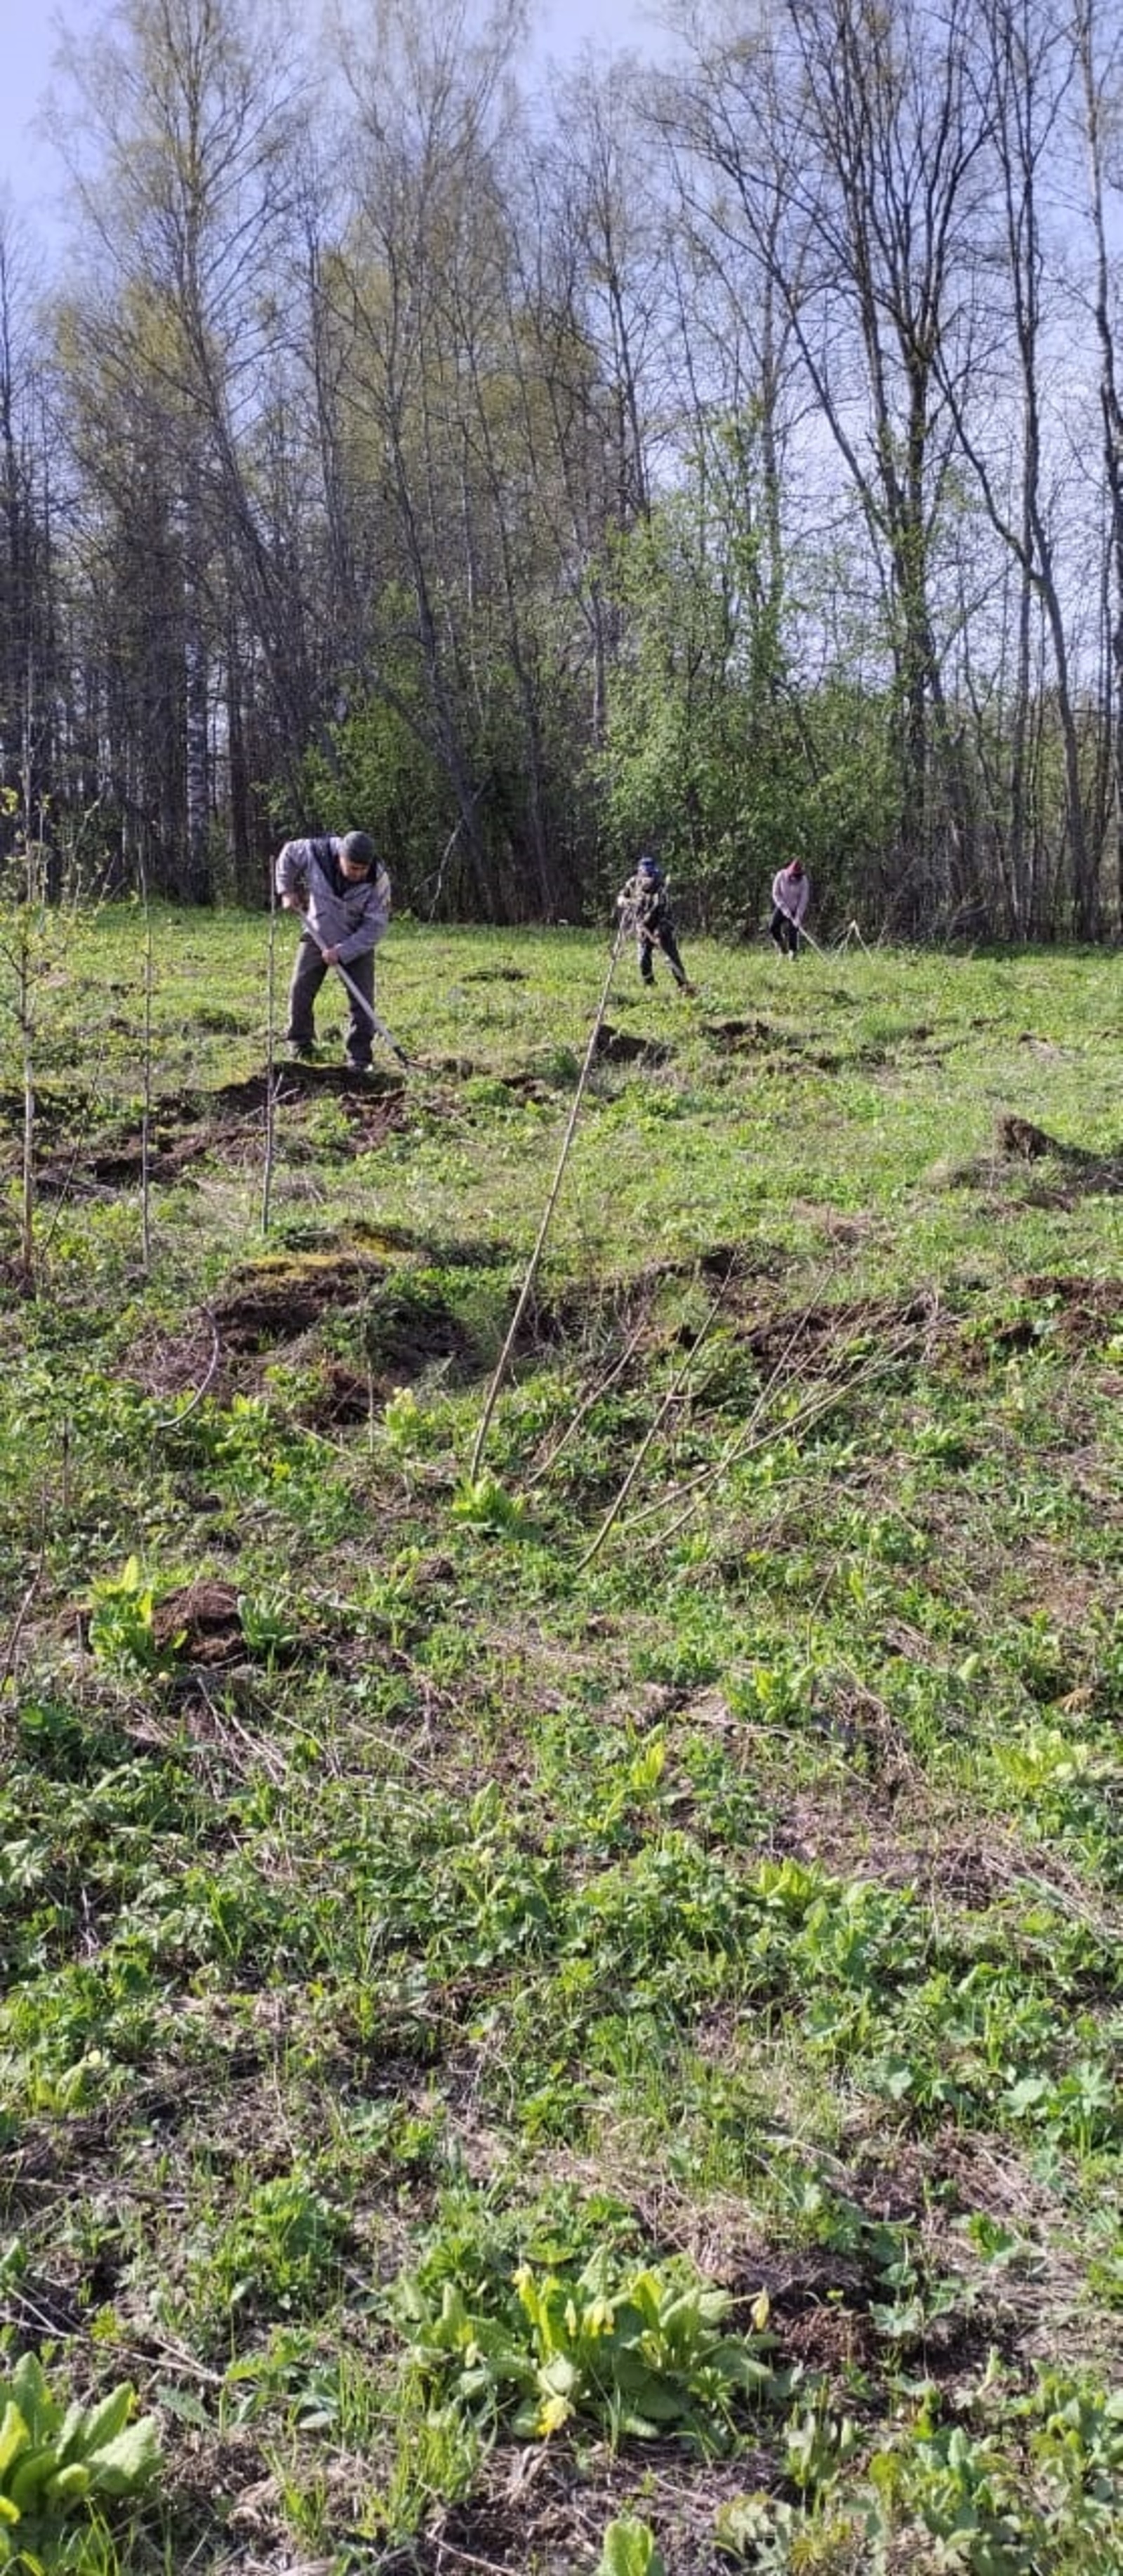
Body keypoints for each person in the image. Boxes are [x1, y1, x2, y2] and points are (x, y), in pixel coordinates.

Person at [274, 830, 391, 1070]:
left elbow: (376, 927)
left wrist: (344, 951)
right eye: (353, 867)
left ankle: (359, 1058)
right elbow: (288, 854)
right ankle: (300, 1044)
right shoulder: (315, 852)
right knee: (301, 989)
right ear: (340, 856)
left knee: (362, 1001)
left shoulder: (379, 880)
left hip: (355, 940)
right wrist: (286, 890)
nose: (358, 874)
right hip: (317, 932)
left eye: (362, 869)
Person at [616, 854, 695, 993]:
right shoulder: (633, 883)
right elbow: (622, 896)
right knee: (643, 960)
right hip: (643, 926)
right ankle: (650, 986)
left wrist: (658, 934)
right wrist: (623, 901)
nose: (646, 880)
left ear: (654, 874)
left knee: (671, 958)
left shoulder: (661, 890)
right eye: (644, 876)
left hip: (661, 926)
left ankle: (683, 985)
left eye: (649, 876)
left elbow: (666, 916)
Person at [769, 857, 810, 955]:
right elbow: (776, 894)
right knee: (773, 927)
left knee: (794, 931)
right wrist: (784, 909)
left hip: (796, 909)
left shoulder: (803, 880)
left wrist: (798, 917)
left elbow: (803, 900)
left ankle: (793, 954)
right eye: (794, 875)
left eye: (798, 876)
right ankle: (782, 946)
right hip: (782, 906)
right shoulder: (781, 875)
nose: (795, 878)